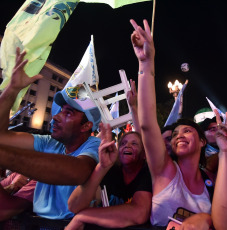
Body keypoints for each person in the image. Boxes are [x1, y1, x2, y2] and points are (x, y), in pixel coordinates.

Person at [0, 48, 101, 219]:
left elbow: (77, 171)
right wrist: (12, 89)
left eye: (68, 113)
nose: (56, 116)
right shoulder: (50, 142)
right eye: (61, 110)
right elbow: (2, 138)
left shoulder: (95, 145)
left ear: (86, 126)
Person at [131, 19, 214, 229]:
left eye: (187, 131)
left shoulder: (213, 180)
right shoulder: (164, 169)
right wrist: (146, 63)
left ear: (203, 141)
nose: (178, 136)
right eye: (175, 133)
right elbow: (148, 125)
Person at [65, 124, 152, 229]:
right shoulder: (111, 170)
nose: (127, 146)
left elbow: (139, 213)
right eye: (123, 143)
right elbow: (74, 206)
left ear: (144, 154)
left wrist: (83, 216)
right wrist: (102, 167)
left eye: (134, 143)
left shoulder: (147, 172)